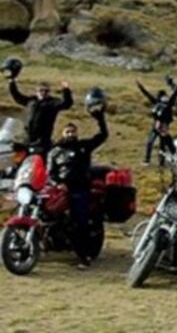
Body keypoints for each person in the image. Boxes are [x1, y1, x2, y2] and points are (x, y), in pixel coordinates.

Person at [46, 88, 109, 268]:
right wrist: (58, 183)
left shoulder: (84, 147)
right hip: (60, 191)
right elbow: (50, 172)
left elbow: (103, 136)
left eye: (73, 132)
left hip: (80, 191)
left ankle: (84, 258)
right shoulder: (55, 151)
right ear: (62, 134)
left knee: (77, 223)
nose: (71, 134)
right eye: (68, 132)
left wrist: (100, 118)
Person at [7, 70, 73, 156]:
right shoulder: (31, 101)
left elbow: (67, 103)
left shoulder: (53, 103)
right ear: (37, 91)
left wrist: (66, 90)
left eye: (46, 91)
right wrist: (12, 82)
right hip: (28, 137)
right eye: (41, 90)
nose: (43, 93)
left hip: (43, 140)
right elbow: (17, 96)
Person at [136, 78, 177, 164]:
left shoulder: (167, 104)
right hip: (157, 127)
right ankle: (149, 160)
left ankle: (161, 161)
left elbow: (174, 95)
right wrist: (140, 86)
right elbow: (147, 94)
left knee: (162, 145)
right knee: (152, 143)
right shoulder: (157, 102)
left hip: (163, 128)